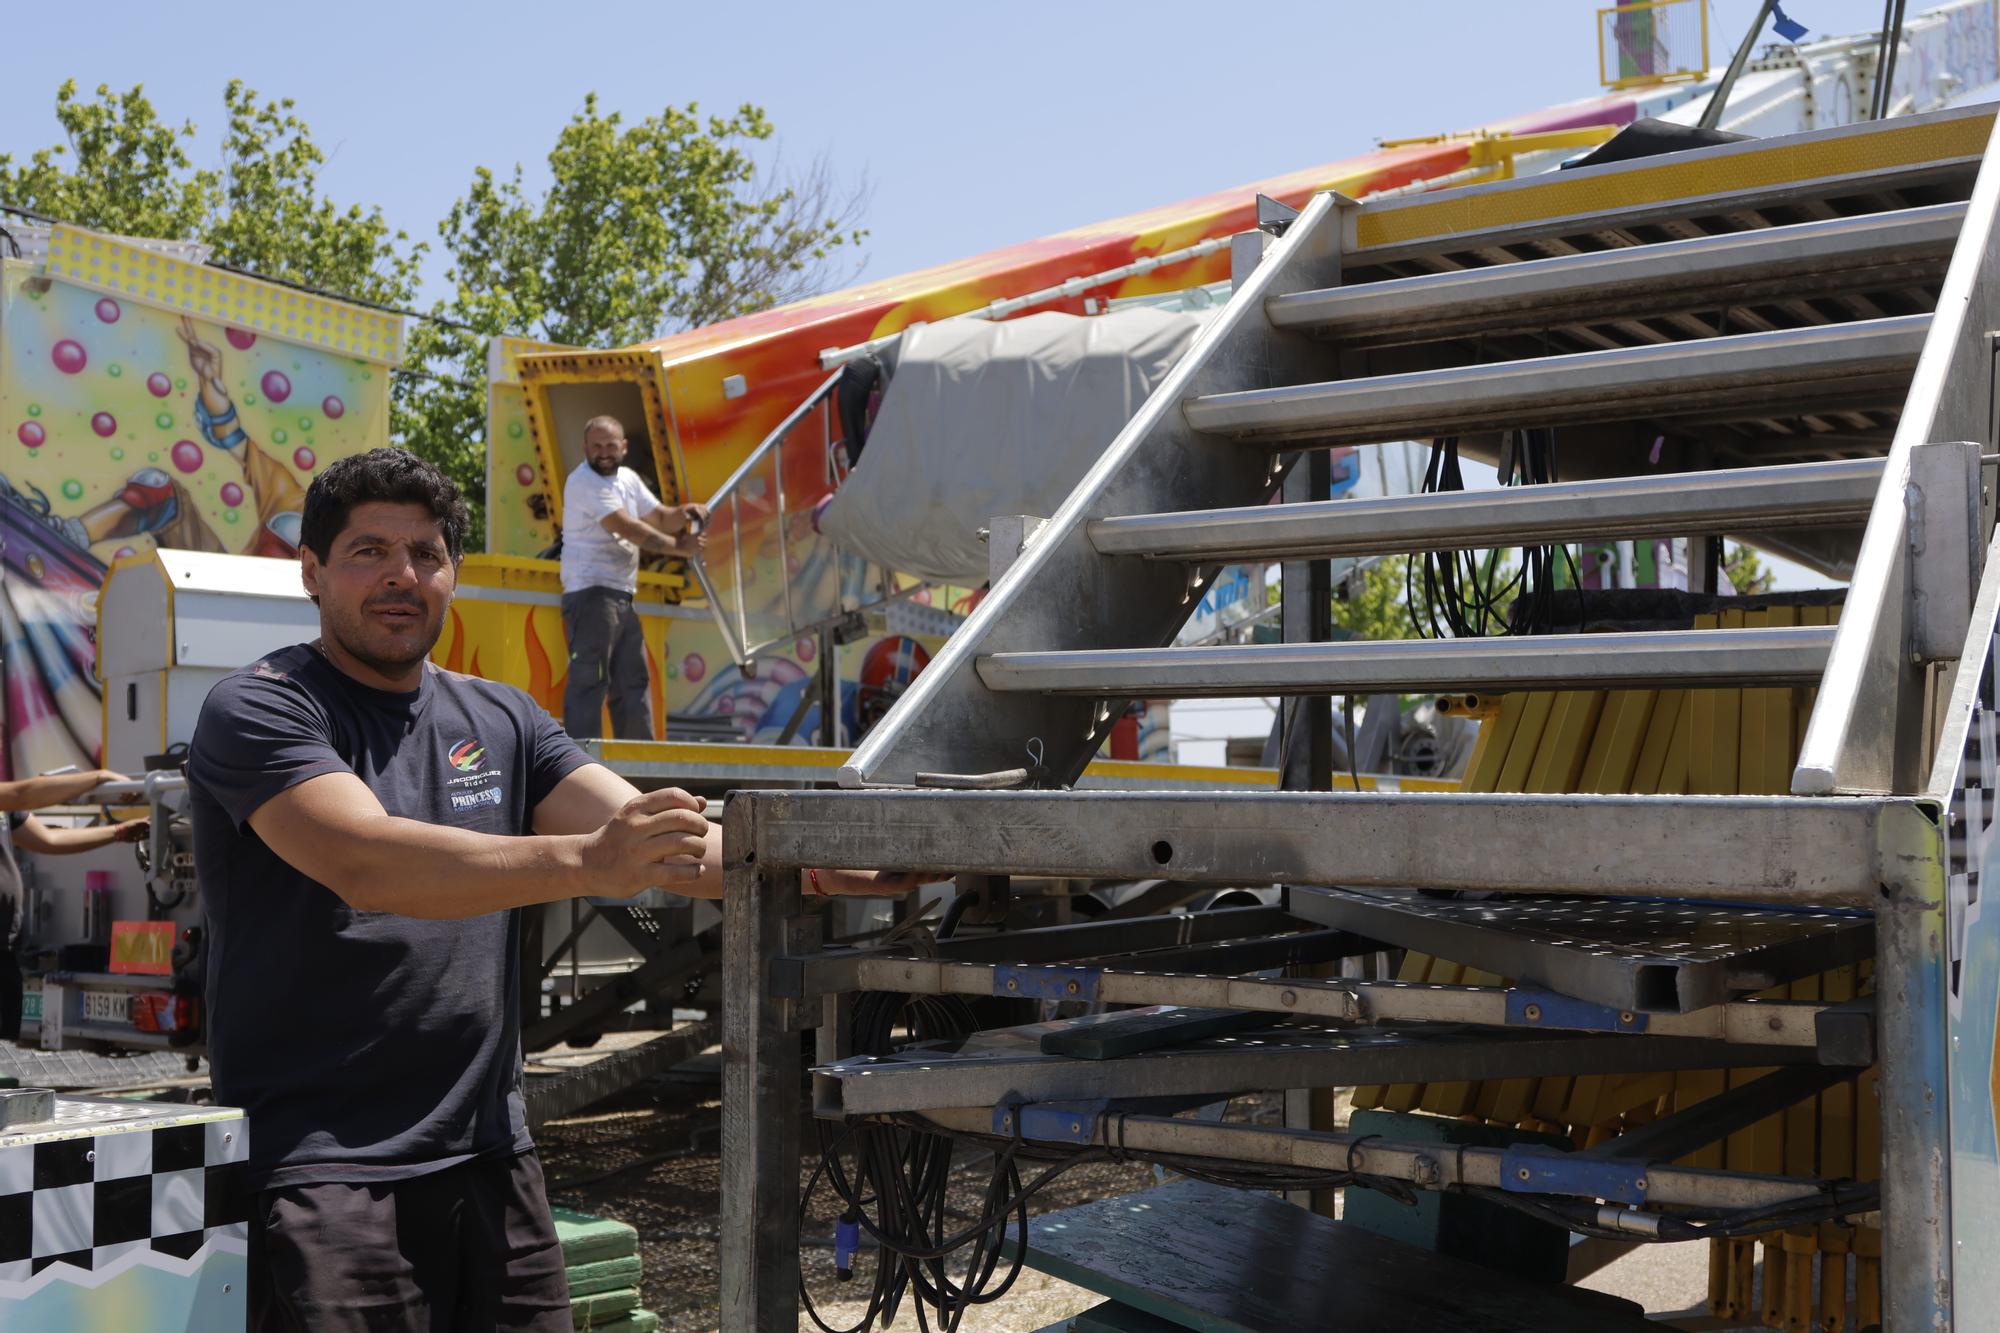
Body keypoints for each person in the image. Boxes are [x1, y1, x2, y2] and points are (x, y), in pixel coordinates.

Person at [184, 447, 911, 1332]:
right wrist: (589, 862)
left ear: (452, 572)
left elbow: (660, 840)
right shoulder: (262, 706)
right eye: (369, 552)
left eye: (426, 553)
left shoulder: (503, 716)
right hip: (325, 1172)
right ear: (312, 572)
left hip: (491, 1156)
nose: (401, 577)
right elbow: (368, 862)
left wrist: (828, 868)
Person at [557, 415, 706, 739]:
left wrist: (685, 512)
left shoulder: (627, 478)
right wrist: (680, 547)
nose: (604, 452)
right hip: (591, 591)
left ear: (624, 447)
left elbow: (662, 517)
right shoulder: (583, 481)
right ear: (585, 448)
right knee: (590, 679)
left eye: (611, 445)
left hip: (622, 592)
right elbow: (628, 527)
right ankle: (581, 765)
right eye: (596, 446)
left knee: (633, 680)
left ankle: (640, 765)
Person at [0, 768, 150, 1040]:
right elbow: (21, 794)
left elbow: (49, 839)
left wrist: (117, 832)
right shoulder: (8, 798)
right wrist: (98, 777)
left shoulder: (6, 807)